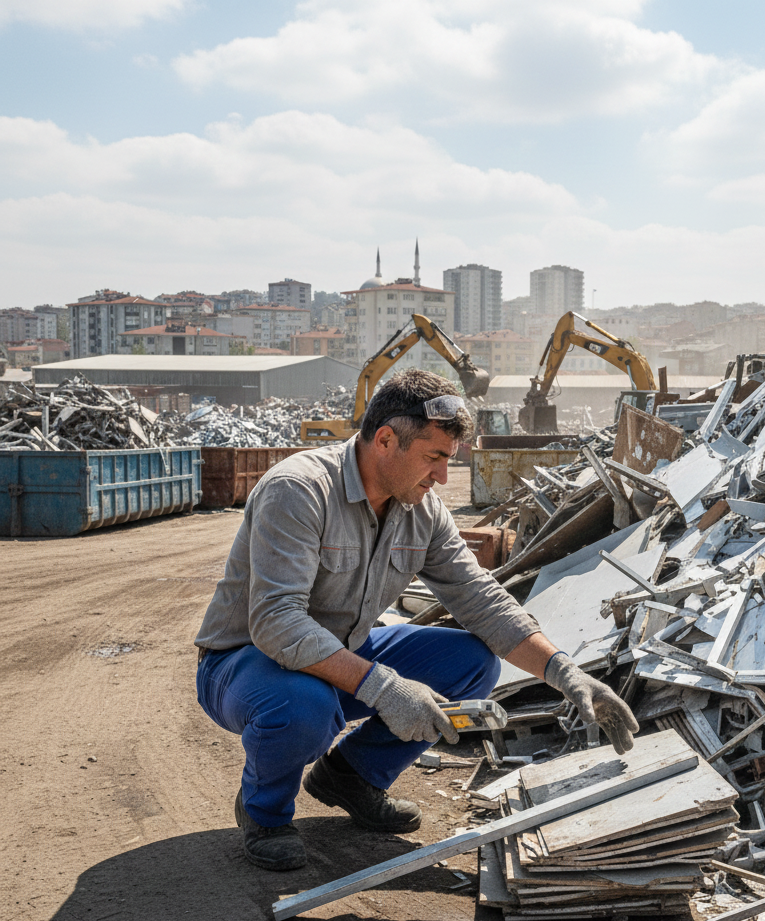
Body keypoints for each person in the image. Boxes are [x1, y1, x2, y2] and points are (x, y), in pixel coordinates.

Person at [195, 369, 639, 871]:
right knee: (304, 706)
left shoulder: (420, 509)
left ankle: (352, 777)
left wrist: (565, 672)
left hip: (343, 650)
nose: (443, 478)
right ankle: (265, 813)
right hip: (246, 664)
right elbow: (277, 623)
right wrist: (385, 689)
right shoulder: (298, 491)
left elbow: (479, 598)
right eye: (435, 458)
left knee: (471, 662)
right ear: (386, 439)